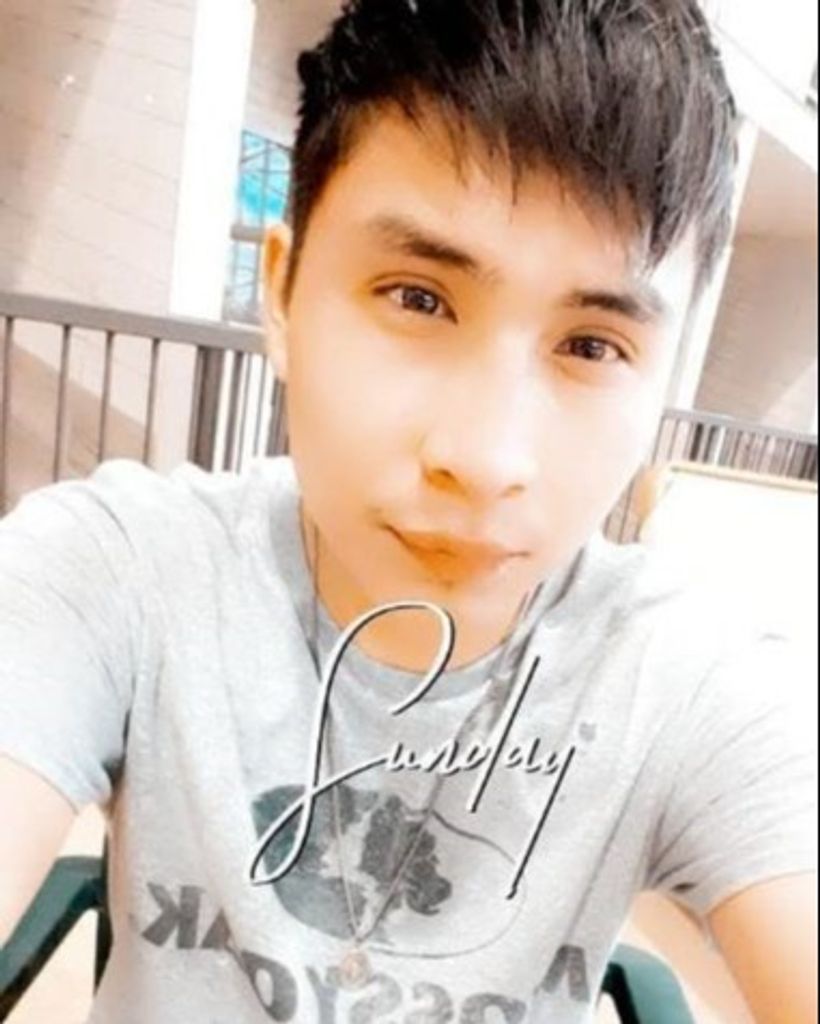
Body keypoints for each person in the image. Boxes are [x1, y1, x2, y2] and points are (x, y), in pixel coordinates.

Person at [0, 0, 816, 1020]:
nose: (485, 459)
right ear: (283, 294)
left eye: (591, 346)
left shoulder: (687, 678)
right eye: (417, 298)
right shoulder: (120, 571)